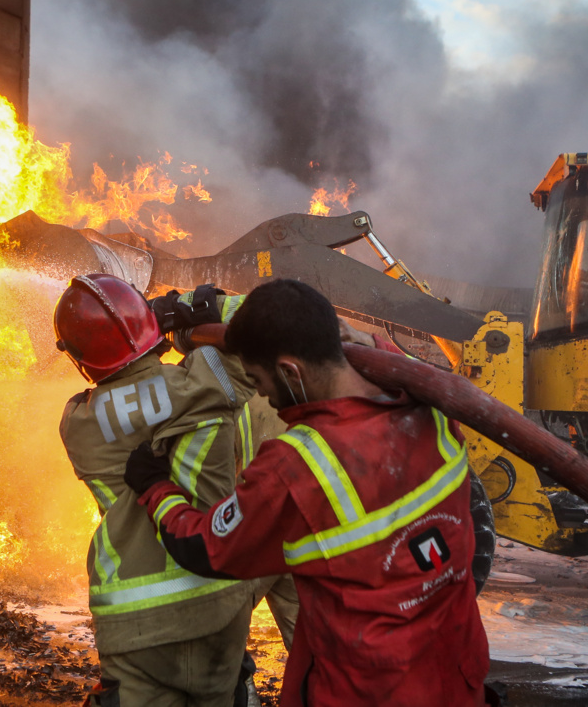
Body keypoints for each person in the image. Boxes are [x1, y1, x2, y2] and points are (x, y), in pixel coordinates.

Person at [124, 279, 492, 707]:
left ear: (290, 372)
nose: (259, 393)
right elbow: (378, 352)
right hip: (458, 680)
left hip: (364, 693)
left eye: (259, 380)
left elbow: (205, 548)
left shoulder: (298, 466)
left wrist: (154, 487)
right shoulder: (428, 400)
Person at [54, 274, 255, 707]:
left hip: (132, 619)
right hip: (217, 600)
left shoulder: (77, 425)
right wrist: (182, 313)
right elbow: (262, 327)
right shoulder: (209, 379)